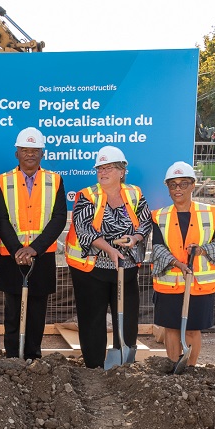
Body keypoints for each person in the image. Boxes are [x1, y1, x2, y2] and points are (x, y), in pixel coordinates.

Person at [65, 146, 152, 368]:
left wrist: (135, 238)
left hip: (127, 267)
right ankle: (94, 365)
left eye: (109, 168)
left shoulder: (134, 193)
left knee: (127, 315)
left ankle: (122, 361)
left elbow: (145, 221)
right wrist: (109, 248)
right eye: (100, 168)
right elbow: (83, 228)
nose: (103, 172)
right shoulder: (87, 195)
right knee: (92, 318)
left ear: (122, 171)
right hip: (92, 268)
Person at [0, 127, 67, 359]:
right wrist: (17, 249)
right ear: (17, 153)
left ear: (42, 153)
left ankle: (34, 355)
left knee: (37, 311)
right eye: (25, 150)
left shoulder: (54, 181)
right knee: (12, 311)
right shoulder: (2, 181)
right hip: (12, 256)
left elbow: (59, 218)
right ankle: (13, 357)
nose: (30, 155)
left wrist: (36, 248)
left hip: (41, 257)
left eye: (35, 150)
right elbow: (1, 219)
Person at [151, 161, 215, 366]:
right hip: (170, 284)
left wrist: (202, 250)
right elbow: (157, 248)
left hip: (199, 286)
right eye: (173, 185)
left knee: (193, 329)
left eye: (183, 184)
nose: (178, 189)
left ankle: (191, 370)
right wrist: (176, 262)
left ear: (193, 185)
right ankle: (172, 367)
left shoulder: (210, 214)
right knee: (171, 328)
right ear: (167, 188)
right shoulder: (160, 216)